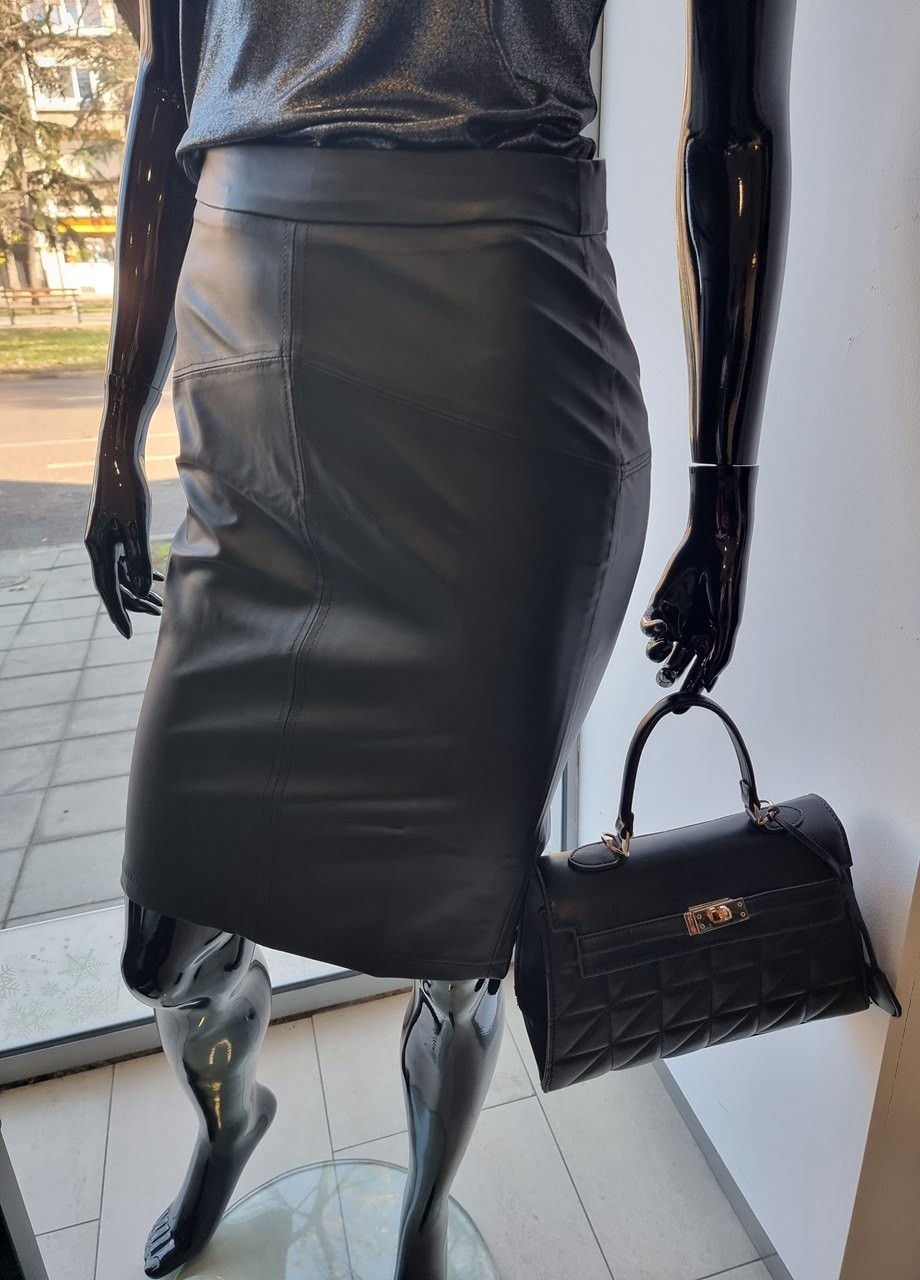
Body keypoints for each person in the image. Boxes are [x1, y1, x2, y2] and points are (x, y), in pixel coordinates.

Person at [83, 2, 795, 1275]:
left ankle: (420, 1212)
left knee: (463, 938)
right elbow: (168, 88)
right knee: (161, 938)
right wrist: (112, 435)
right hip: (250, 383)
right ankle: (230, 1119)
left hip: (496, 379)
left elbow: (730, 124)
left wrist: (724, 487)